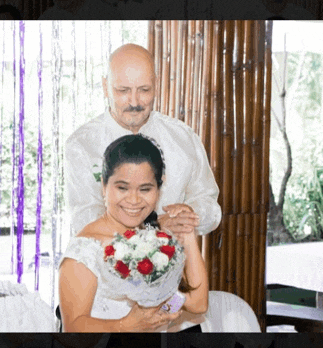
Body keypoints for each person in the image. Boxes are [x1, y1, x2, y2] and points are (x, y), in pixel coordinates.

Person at [65, 43, 222, 240]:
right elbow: (86, 222)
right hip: (101, 268)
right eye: (123, 90)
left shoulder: (183, 137)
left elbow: (211, 208)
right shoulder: (82, 144)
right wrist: (155, 227)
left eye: (144, 90)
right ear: (106, 87)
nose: (134, 102)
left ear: (156, 85)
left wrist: (187, 214)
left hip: (173, 266)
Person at [58, 134, 209, 332]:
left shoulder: (155, 242)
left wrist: (187, 233)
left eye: (145, 189)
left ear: (159, 188)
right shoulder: (85, 249)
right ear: (104, 186)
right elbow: (73, 328)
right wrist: (126, 325)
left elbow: (197, 303)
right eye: (122, 188)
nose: (134, 200)